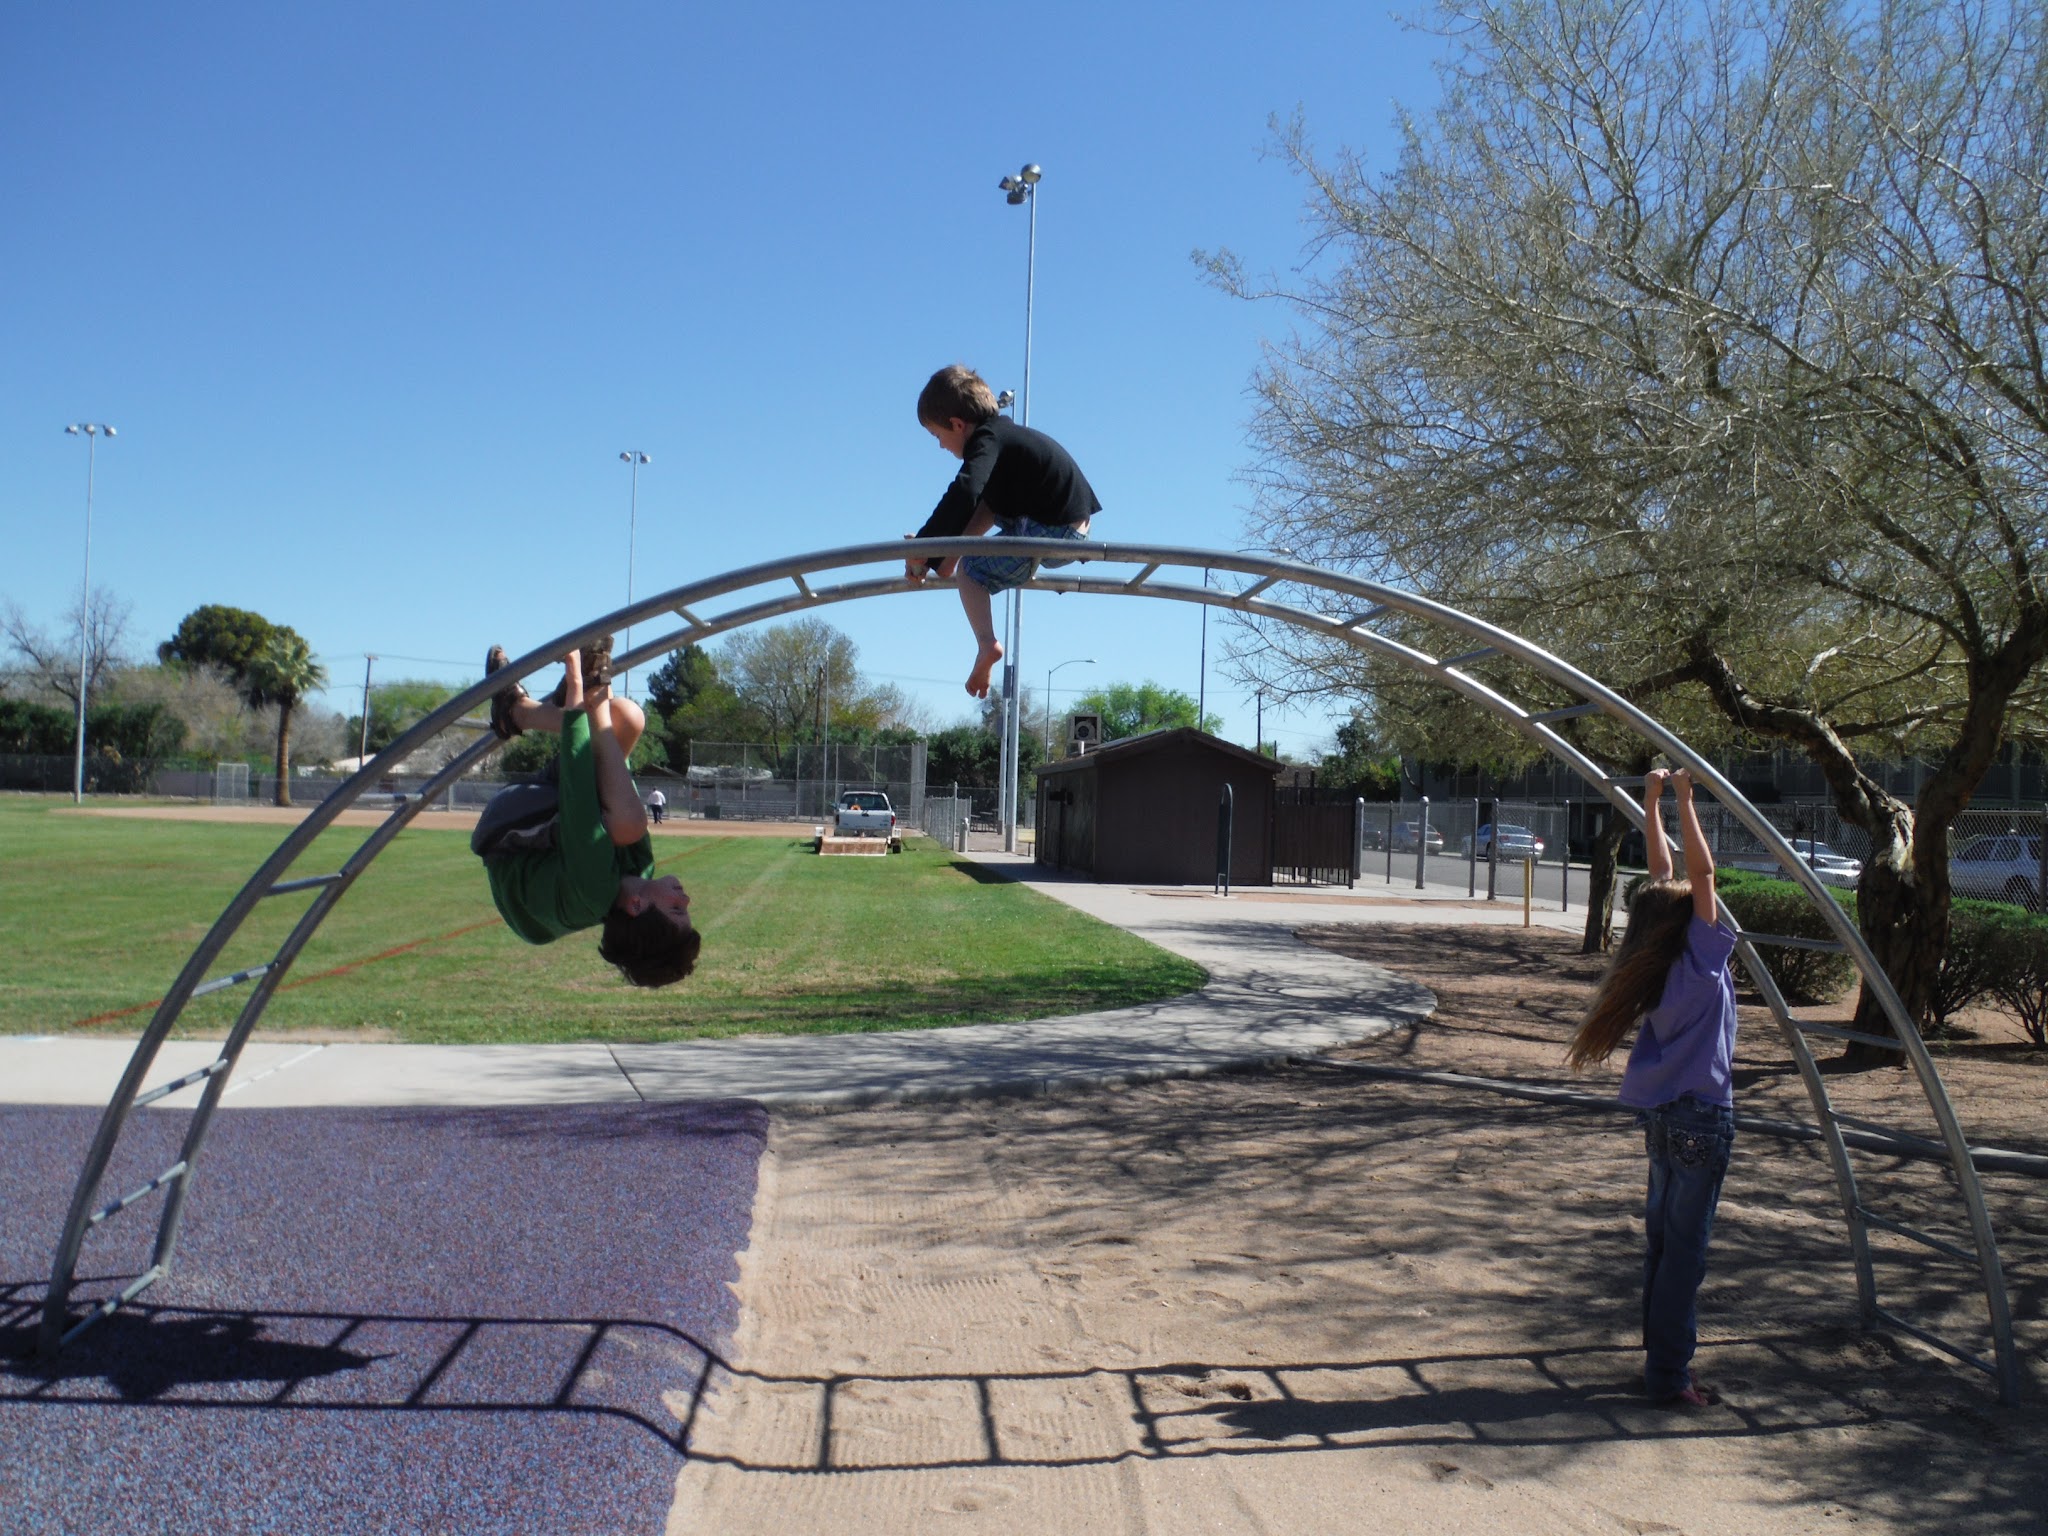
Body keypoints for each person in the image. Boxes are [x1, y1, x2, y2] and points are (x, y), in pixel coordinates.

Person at [1566, 767, 1737, 1408]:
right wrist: (1688, 800)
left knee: (1664, 1244)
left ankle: (1661, 1363)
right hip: (1702, 1118)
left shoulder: (1651, 964)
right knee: (1684, 1254)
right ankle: (1669, 1375)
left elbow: (1668, 877)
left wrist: (1654, 802)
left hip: (1666, 1119)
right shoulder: (1698, 958)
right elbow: (1702, 876)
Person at [478, 638, 700, 988]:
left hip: (507, 834)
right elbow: (614, 773)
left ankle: (584, 693)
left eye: (676, 909)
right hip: (547, 822)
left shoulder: (592, 891)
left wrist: (580, 687)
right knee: (626, 718)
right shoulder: (640, 870)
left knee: (628, 822)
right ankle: (516, 711)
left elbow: (580, 793)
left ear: (637, 906)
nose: (685, 898)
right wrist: (591, 712)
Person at [903, 363, 1101, 697]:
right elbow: (983, 507)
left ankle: (987, 644)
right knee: (990, 505)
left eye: (938, 436)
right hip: (1062, 524)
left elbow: (964, 490)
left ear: (957, 424)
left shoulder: (987, 438)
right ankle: (946, 559)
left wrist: (922, 545)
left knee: (972, 570)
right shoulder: (1004, 440)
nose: (940, 446)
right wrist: (935, 556)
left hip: (1052, 531)